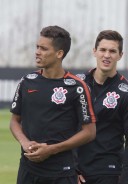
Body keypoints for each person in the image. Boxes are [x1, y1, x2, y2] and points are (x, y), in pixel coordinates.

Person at [9, 25, 96, 184]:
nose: (37, 52)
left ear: (59, 53)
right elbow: (14, 121)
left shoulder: (77, 87)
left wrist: (51, 149)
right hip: (28, 170)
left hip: (61, 173)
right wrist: (25, 142)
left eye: (43, 48)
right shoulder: (27, 81)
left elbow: (89, 132)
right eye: (37, 47)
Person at [77, 30, 128, 184]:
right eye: (103, 50)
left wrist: (124, 181)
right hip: (76, 170)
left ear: (120, 55)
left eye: (112, 51)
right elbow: (66, 127)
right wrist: (71, 168)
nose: (107, 55)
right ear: (94, 51)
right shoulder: (78, 84)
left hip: (108, 172)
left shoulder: (127, 93)